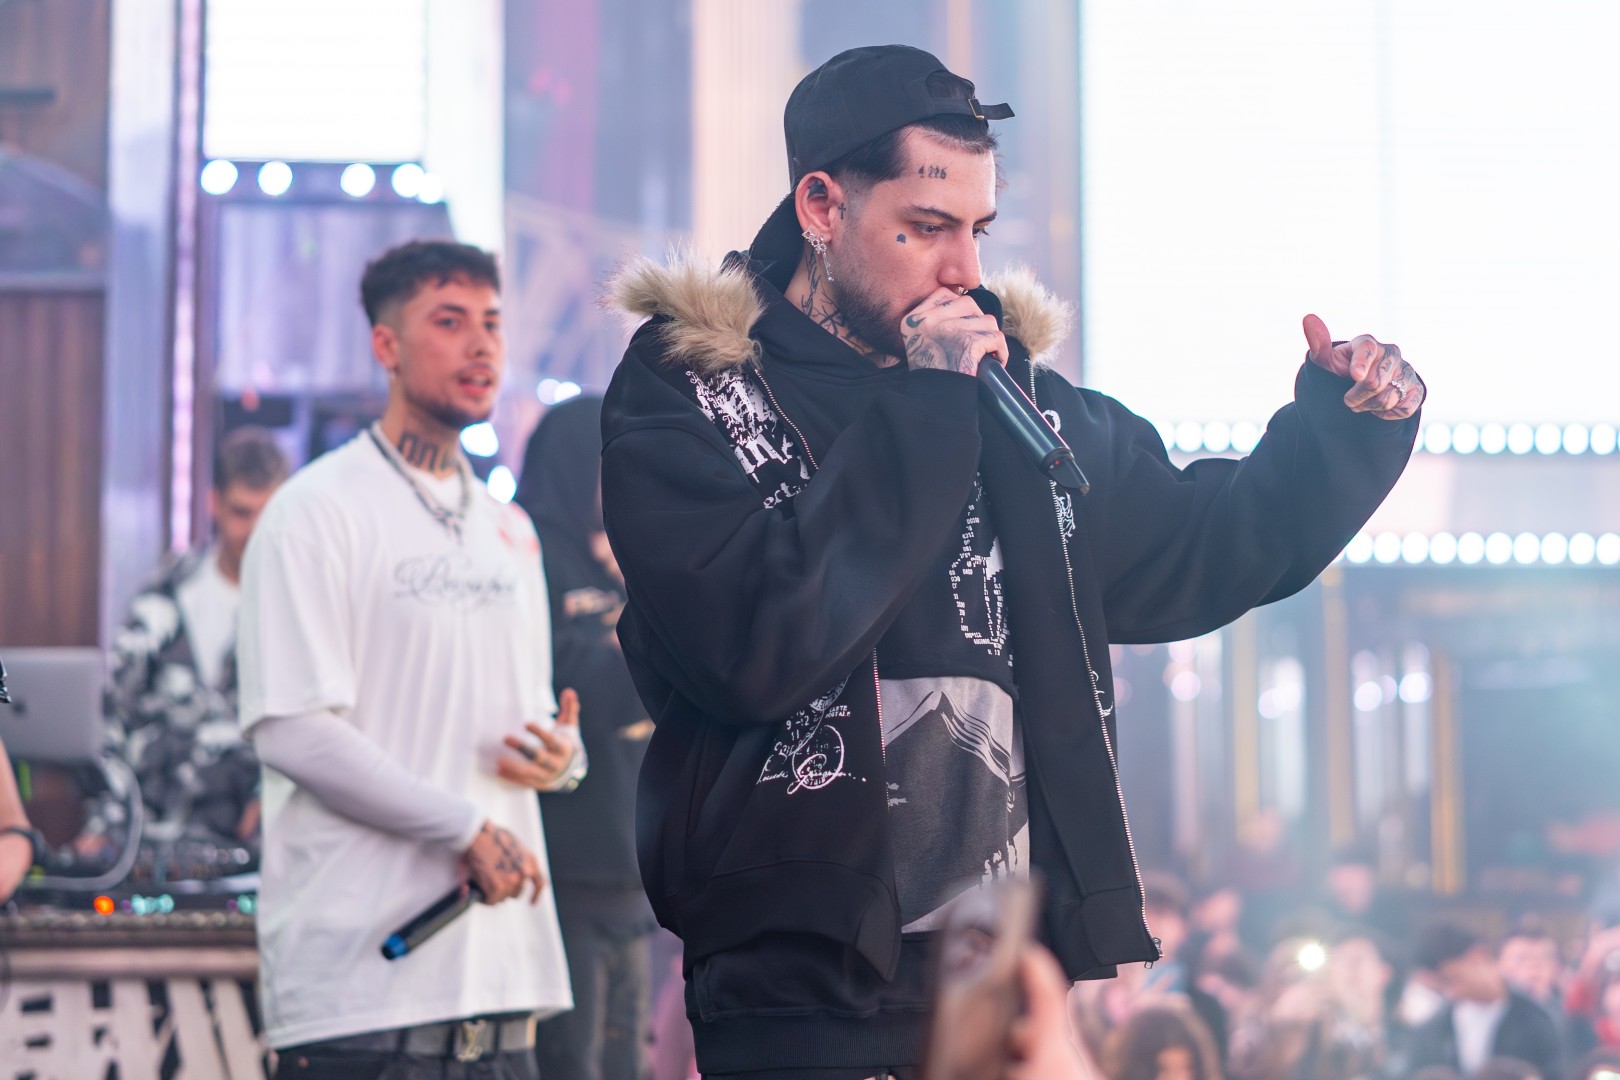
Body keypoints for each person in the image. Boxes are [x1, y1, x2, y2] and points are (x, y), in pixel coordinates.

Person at [600, 44, 1422, 1077]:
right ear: (821, 205)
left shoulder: (1009, 392)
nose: (964, 271)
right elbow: (753, 646)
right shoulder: (693, 389)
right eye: (925, 227)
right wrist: (929, 404)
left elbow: (1198, 545)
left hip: (1000, 985)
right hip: (801, 988)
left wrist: (1340, 431)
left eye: (977, 230)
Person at [237, 239, 586, 1079]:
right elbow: (290, 729)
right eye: (450, 321)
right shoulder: (314, 511)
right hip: (364, 993)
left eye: (492, 323)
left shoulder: (510, 530)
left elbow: (526, 722)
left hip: (506, 985)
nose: (482, 344)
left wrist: (564, 759)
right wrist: (463, 826)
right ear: (386, 345)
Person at [514, 395, 658, 1080]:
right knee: (573, 1061)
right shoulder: (530, 558)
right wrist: (642, 638)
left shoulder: (620, 559)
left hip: (631, 869)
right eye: (613, 463)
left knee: (628, 1060)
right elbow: (580, 687)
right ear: (577, 464)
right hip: (563, 871)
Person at [77, 426, 288, 866]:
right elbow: (115, 711)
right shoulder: (165, 595)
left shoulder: (298, 609)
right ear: (214, 502)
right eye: (242, 512)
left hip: (255, 852)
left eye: (268, 514)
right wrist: (105, 820)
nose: (254, 530)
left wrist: (275, 795)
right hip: (149, 845)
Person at [1405, 923, 1562, 1080]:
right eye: (1443, 986)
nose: (1451, 993)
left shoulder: (1536, 1020)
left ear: (1477, 955)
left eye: (1453, 979)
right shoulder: (1434, 1029)